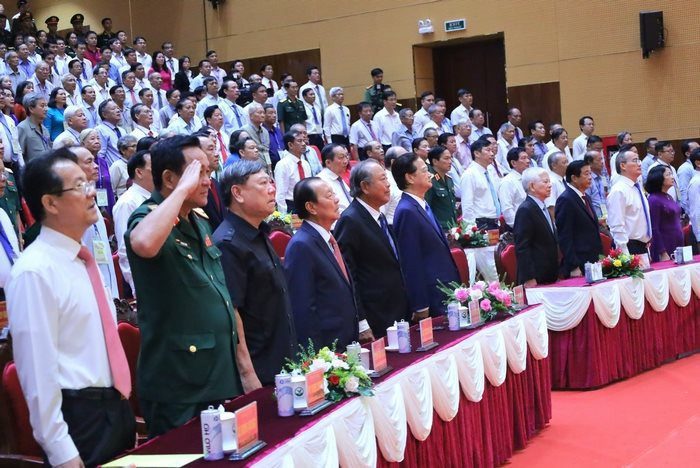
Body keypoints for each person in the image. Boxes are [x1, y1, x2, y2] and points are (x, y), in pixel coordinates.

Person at [125, 135, 260, 437]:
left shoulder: (198, 220)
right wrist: (182, 190)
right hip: (179, 382)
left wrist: (246, 368)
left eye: (208, 173)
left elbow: (223, 296)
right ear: (169, 178)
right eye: (198, 173)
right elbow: (144, 243)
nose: (207, 181)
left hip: (217, 375)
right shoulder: (148, 216)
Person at [7, 148, 135, 467]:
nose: (91, 192)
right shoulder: (34, 271)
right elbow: (37, 373)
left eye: (87, 182)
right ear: (50, 203)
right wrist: (61, 450)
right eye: (78, 186)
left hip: (115, 408)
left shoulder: (81, 260)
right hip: (80, 419)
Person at [213, 160, 296, 384]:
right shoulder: (228, 243)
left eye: (271, 182)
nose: (272, 189)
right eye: (263, 183)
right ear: (238, 193)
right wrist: (247, 373)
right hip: (260, 369)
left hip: (283, 358)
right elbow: (232, 312)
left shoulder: (259, 232)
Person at [335, 159, 409, 338]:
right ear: (365, 186)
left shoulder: (379, 215)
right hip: (375, 315)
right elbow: (349, 275)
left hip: (397, 309)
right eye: (383, 179)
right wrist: (361, 321)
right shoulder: (350, 220)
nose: (388, 184)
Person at [284, 177, 359, 349]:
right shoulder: (301, 245)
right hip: (326, 347)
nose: (336, 199)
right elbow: (302, 306)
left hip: (346, 339)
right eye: (329, 195)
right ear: (311, 207)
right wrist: (317, 355)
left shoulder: (327, 238)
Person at [392, 152, 459, 317]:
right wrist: (420, 305)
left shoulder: (422, 204)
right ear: (410, 177)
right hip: (432, 293)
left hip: (445, 287)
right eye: (424, 170)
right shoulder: (407, 211)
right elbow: (411, 261)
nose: (430, 174)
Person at [554, 160, 603, 277]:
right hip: (579, 263)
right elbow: (565, 236)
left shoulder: (586, 197)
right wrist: (574, 266)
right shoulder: (566, 199)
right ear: (574, 178)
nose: (590, 177)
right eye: (586, 174)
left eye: (590, 173)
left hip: (594, 260)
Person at [113, 149, 152, 294]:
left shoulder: (156, 197)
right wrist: (138, 289)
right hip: (144, 279)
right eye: (154, 168)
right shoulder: (128, 202)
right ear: (139, 172)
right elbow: (125, 249)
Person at [513, 167, 559, 286]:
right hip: (536, 277)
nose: (550, 185)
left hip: (550, 274)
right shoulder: (525, 210)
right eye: (545, 182)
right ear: (532, 186)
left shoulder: (543, 206)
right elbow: (522, 247)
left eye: (549, 181)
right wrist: (529, 277)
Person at [607, 150, 651, 255]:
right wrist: (624, 254)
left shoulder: (637, 187)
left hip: (643, 246)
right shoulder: (619, 190)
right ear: (623, 165)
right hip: (629, 247)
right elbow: (616, 225)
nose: (639, 164)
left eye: (639, 160)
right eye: (635, 160)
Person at [645, 165, 684, 262]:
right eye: (668, 174)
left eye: (671, 174)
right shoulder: (653, 199)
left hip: (677, 242)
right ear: (659, 178)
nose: (672, 177)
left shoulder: (668, 196)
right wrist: (662, 251)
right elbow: (654, 228)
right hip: (665, 245)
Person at [460, 139, 501, 230]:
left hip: (494, 220)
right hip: (480, 223)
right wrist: (471, 229)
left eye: (492, 150)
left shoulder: (490, 171)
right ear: (477, 153)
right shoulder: (469, 174)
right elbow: (467, 204)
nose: (492, 154)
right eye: (488, 150)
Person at [274, 130, 311, 214]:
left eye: (304, 140)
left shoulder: (305, 163)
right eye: (299, 141)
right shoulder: (282, 165)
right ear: (290, 145)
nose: (304, 144)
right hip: (291, 206)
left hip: (306, 204)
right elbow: (280, 194)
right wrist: (284, 216)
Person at [425, 145, 456, 230]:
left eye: (450, 158)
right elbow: (427, 208)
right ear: (435, 161)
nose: (450, 162)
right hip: (439, 228)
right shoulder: (430, 181)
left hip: (453, 227)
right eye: (446, 158)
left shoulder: (449, 179)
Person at [498, 147, 530, 229]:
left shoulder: (529, 178)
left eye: (527, 158)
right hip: (519, 227)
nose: (528, 161)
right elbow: (507, 209)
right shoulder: (507, 182)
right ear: (513, 163)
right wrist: (518, 226)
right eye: (523, 158)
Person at [318, 143, 352, 215]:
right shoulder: (321, 182)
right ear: (328, 162)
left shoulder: (338, 178)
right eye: (341, 157)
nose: (346, 161)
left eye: (346, 156)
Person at [17, 92, 50, 161]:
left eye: (46, 106)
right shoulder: (22, 128)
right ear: (31, 109)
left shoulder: (45, 129)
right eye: (42, 106)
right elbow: (19, 156)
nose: (46, 109)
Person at [96, 99, 126, 165]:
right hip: (112, 169)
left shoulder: (122, 130)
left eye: (118, 108)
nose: (118, 110)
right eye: (113, 109)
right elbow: (100, 155)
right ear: (104, 114)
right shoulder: (100, 130)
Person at [676, 140, 700, 212]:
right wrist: (687, 212)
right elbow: (683, 191)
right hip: (693, 209)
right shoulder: (685, 168)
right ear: (687, 153)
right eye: (696, 149)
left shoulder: (694, 166)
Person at [584, 150, 608, 219]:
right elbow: (586, 202)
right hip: (594, 218)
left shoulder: (603, 176)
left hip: (606, 216)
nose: (602, 162)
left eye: (602, 159)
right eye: (599, 160)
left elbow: (606, 192)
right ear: (590, 163)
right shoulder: (587, 179)